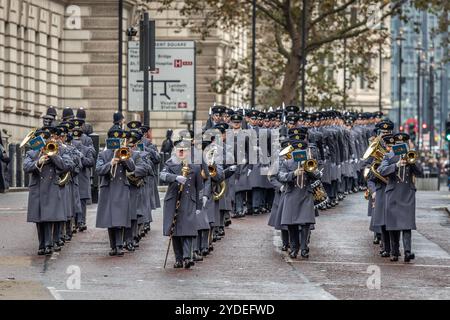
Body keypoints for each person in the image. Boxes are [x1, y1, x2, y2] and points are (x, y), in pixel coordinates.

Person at [23, 127, 74, 255]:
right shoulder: (32, 152)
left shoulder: (60, 149)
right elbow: (26, 167)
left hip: (52, 186)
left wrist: (53, 156)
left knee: (50, 218)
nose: (45, 142)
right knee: (39, 219)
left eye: (47, 139)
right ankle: (42, 245)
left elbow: (67, 166)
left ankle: (50, 243)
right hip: (38, 188)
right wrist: (38, 161)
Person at [378, 132, 423, 262]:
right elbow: (382, 170)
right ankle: (395, 251)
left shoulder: (411, 156)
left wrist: (412, 162)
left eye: (403, 143)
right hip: (393, 193)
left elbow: (420, 173)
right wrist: (396, 165)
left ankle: (408, 252)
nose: (401, 146)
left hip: (407, 193)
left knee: (407, 224)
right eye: (398, 144)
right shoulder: (388, 156)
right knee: (393, 225)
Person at [159, 138, 203, 269]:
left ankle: (187, 257)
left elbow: (199, 188)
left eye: (184, 150)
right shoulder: (170, 163)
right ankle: (178, 258)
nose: (181, 152)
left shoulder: (195, 166)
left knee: (188, 230)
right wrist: (175, 178)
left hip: (189, 201)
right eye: (179, 150)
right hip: (173, 200)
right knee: (175, 231)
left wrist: (199, 206)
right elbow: (162, 175)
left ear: (189, 152)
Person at [96, 128, 136, 257]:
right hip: (108, 188)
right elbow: (98, 170)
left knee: (119, 219)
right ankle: (113, 246)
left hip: (121, 189)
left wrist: (123, 158)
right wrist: (110, 163)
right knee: (110, 219)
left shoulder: (125, 151)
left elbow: (132, 168)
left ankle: (119, 245)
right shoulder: (103, 154)